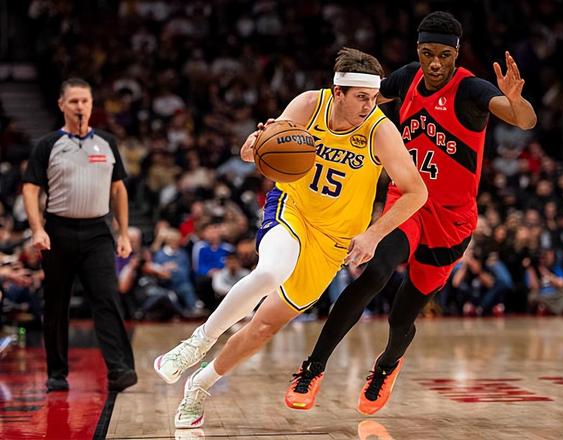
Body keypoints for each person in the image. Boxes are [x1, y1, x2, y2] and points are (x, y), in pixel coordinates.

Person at [153, 47, 427, 429]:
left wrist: (373, 235)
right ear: (338, 92)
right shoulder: (309, 105)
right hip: (291, 208)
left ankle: (198, 385)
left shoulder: (380, 131)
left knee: (264, 327)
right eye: (362, 97)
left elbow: (416, 192)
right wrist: (254, 146)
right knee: (271, 272)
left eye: (373, 97)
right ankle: (195, 344)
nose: (370, 105)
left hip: (332, 242)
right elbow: (257, 151)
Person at [286, 11, 537, 415]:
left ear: (456, 55)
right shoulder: (405, 79)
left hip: (451, 221)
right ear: (417, 51)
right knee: (374, 273)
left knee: (402, 316)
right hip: (407, 203)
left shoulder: (471, 89)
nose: (435, 63)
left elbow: (524, 121)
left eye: (444, 55)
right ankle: (312, 368)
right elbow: (355, 98)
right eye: (427, 53)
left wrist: (515, 100)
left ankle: (386, 366)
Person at [22, 78, 137, 392]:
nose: (80, 107)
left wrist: (123, 234)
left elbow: (119, 189)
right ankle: (56, 374)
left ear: (91, 104)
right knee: (56, 304)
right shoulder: (48, 144)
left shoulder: (107, 142)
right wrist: (37, 229)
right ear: (61, 105)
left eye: (85, 101)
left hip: (98, 232)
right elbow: (30, 189)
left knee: (107, 299)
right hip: (58, 231)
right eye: (73, 101)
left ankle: (120, 370)